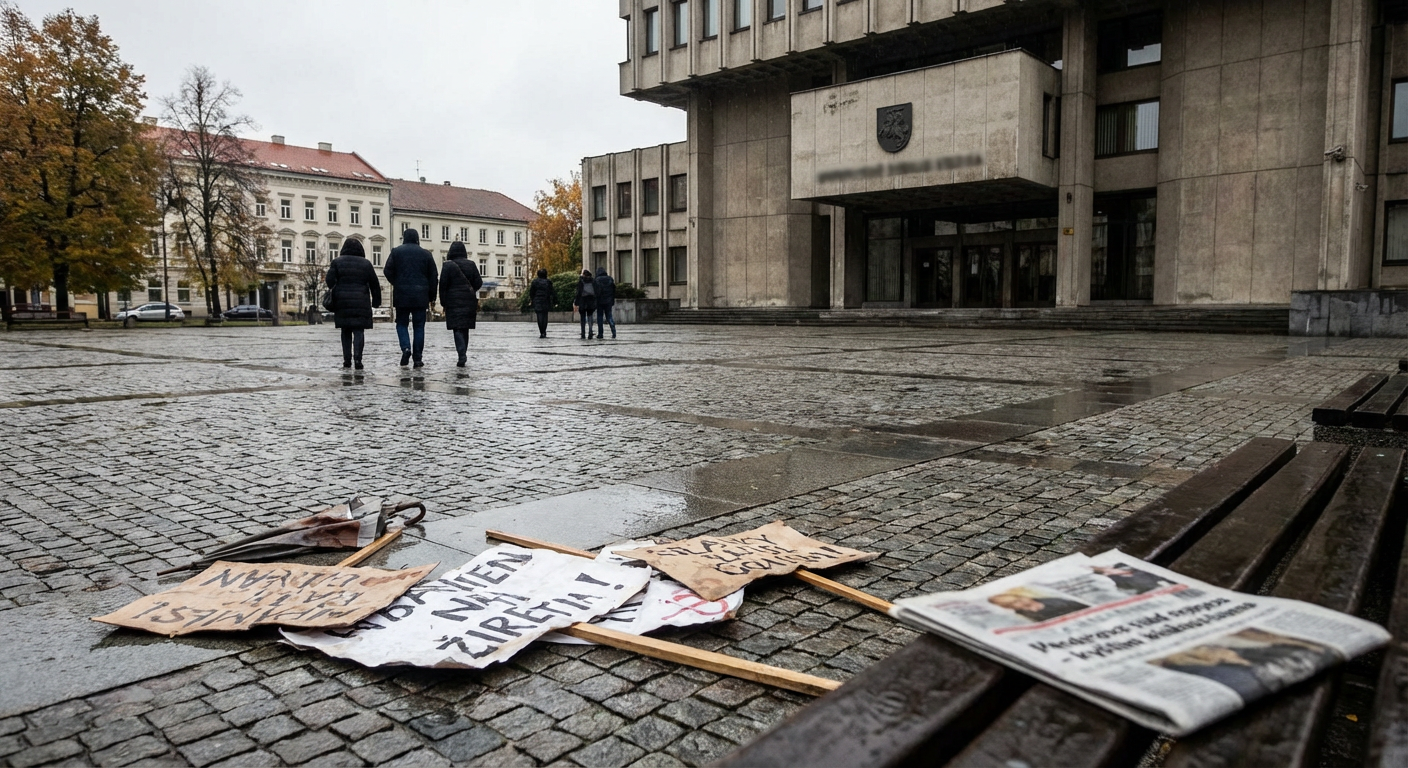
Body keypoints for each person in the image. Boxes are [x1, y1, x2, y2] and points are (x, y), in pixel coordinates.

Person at [383, 229, 438, 367]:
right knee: (419, 327)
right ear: (417, 239)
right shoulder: (426, 254)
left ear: (404, 238)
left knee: (401, 324)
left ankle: (406, 348)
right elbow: (433, 277)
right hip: (421, 295)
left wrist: (397, 282)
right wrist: (432, 296)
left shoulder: (396, 252)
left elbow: (387, 270)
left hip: (402, 295)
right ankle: (417, 358)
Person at [325, 239, 381, 370]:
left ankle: (346, 360)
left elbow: (329, 280)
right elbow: (375, 284)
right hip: (361, 301)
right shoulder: (366, 264)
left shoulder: (337, 262)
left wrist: (337, 286)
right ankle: (358, 359)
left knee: (345, 330)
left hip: (342, 301)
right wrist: (376, 301)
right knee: (359, 331)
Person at [439, 241, 483, 367]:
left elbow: (442, 285)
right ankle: (463, 352)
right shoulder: (471, 264)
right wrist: (470, 290)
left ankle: (461, 353)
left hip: (453, 301)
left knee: (457, 328)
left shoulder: (447, 265)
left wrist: (443, 302)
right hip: (469, 301)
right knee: (465, 328)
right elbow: (479, 282)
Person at [528, 268, 554, 338]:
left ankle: (541, 331)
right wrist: (554, 301)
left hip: (537, 300)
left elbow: (531, 292)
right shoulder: (548, 282)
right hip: (546, 300)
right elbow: (552, 292)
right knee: (545, 316)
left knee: (539, 315)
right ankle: (544, 331)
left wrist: (532, 299)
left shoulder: (535, 282)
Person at [574, 267, 597, 339]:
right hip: (590, 300)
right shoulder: (593, 281)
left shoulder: (581, 281)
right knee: (590, 316)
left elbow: (578, 292)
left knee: (582, 317)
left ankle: (583, 332)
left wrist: (576, 302)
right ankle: (590, 331)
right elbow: (596, 291)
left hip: (582, 301)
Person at [594, 266, 617, 340]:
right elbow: (614, 290)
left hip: (600, 301)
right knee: (609, 316)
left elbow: (596, 291)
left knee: (600, 317)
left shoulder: (597, 280)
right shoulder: (610, 279)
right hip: (609, 301)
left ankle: (600, 333)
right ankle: (613, 331)